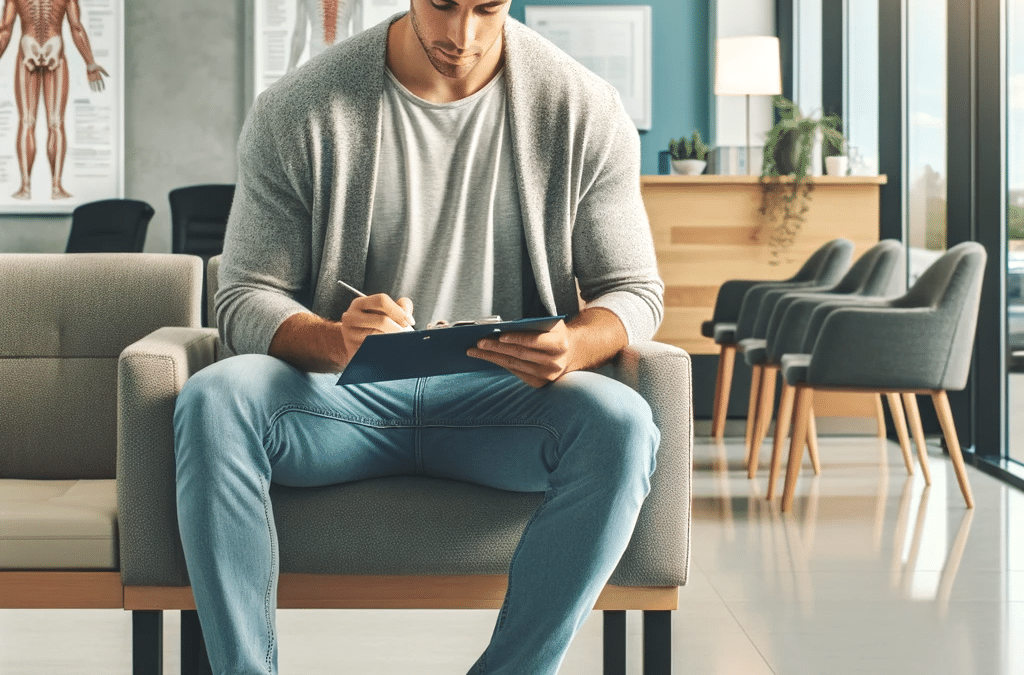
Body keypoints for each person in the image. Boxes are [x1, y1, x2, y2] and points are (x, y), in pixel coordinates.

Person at [174, 1, 664, 673]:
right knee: (214, 397)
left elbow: (636, 292)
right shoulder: (299, 107)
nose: (461, 36)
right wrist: (332, 338)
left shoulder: (582, 108)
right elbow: (242, 294)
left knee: (624, 423)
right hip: (336, 398)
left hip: (505, 403)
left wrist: (574, 344)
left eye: (486, 8)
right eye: (442, 4)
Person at [0, 0, 108, 200]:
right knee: (34, 122)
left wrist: (90, 63)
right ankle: (33, 187)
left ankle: (48, 187)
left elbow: (6, 29)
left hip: (42, 52)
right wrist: (90, 62)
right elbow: (4, 29)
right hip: (39, 51)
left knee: (49, 122)